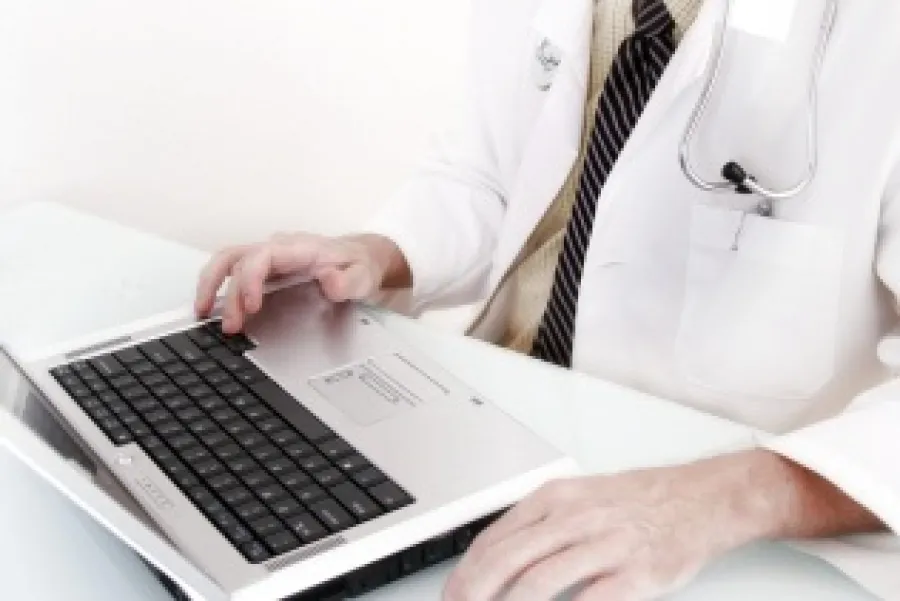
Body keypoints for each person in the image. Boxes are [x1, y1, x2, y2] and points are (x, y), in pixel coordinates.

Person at [195, 0, 900, 599]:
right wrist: (379, 251)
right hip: (492, 426)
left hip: (722, 519)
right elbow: (483, 172)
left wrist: (728, 496)